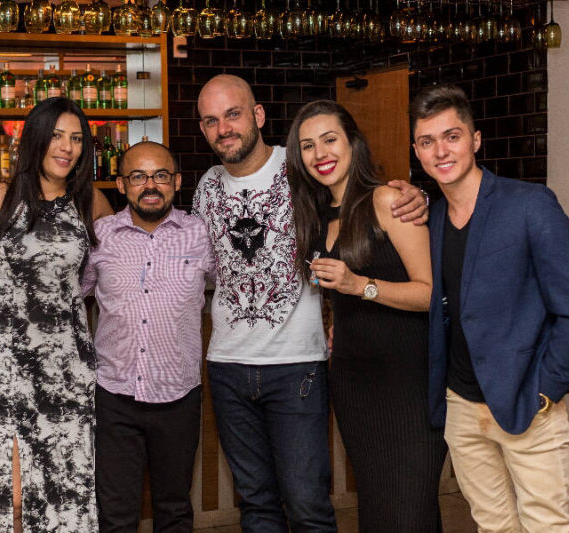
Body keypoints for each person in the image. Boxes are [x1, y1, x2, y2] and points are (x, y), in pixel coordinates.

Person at [192, 74, 428, 532]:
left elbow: (359, 199)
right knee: (255, 505)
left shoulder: (301, 167)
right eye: (211, 120)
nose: (224, 128)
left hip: (296, 366)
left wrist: (416, 196)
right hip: (227, 366)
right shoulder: (206, 187)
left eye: (233, 114)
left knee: (307, 505)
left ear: (258, 115)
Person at [410, 84, 569, 532]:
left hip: (528, 400)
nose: (441, 151)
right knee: (493, 527)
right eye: (427, 141)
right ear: (417, 152)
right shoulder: (432, 220)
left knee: (547, 526)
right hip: (461, 406)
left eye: (452, 136)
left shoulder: (530, 205)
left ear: (475, 140)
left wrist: (547, 391)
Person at [286, 100, 447, 531]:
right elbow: (338, 296)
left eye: (330, 139)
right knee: (379, 511)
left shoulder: (389, 201)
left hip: (408, 383)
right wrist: (338, 319)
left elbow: (432, 294)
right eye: (307, 146)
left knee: (408, 512)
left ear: (353, 143)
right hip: (354, 383)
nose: (320, 153)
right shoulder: (317, 217)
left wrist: (360, 285)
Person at [0, 97, 113, 532]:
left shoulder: (91, 203)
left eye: (77, 139)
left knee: (65, 488)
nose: (67, 147)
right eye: (57, 136)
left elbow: (113, 271)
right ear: (35, 138)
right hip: (4, 362)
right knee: (13, 494)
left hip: (67, 366)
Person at [82, 141, 215, 533]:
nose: (151, 185)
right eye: (138, 176)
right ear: (122, 185)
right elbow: (70, 296)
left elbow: (238, 286)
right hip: (114, 396)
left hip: (178, 397)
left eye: (160, 175)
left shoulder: (200, 234)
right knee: (116, 514)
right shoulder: (101, 236)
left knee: (174, 510)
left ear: (177, 181)